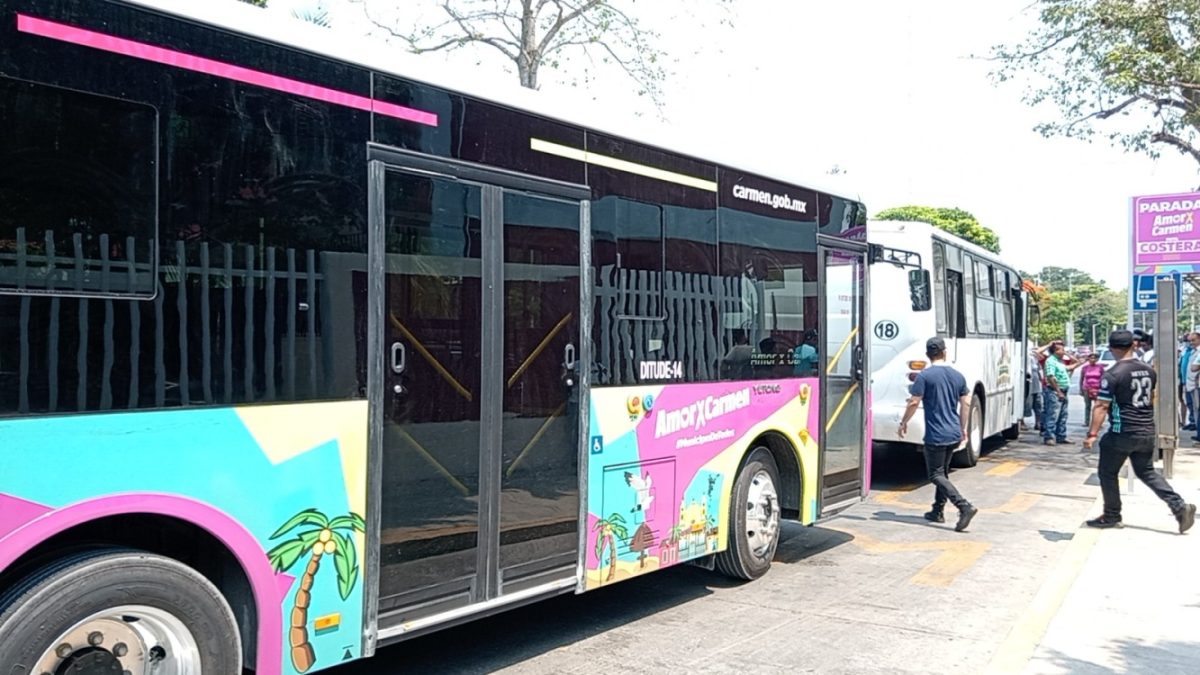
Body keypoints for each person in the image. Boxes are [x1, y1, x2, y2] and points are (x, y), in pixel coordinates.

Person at [1083, 330, 1196, 532]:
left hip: (1122, 431)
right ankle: (1178, 506)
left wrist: (1092, 434)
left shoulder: (1113, 374)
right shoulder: (1148, 370)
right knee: (1147, 472)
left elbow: (1101, 406)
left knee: (1107, 473)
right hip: (1146, 430)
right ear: (1134, 345)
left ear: (1111, 348)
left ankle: (1111, 515)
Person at [898, 337, 978, 532]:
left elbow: (914, 402)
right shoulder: (957, 376)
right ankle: (937, 511)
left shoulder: (924, 377)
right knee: (942, 472)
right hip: (953, 433)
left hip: (936, 434)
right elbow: (966, 403)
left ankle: (963, 506)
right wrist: (963, 428)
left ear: (928, 355)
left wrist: (904, 422)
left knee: (935, 474)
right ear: (945, 352)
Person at [1041, 342, 1083, 445]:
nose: (1063, 351)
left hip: (1063, 390)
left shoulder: (1059, 361)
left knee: (1063, 415)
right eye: (1061, 350)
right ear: (1055, 351)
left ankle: (1061, 436)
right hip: (1055, 391)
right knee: (1053, 415)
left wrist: (1079, 363)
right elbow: (1050, 377)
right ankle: (1049, 437)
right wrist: (1058, 391)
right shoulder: (1051, 361)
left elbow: (1068, 368)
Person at [1079, 353, 1107, 426]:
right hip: (1087, 388)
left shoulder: (1100, 367)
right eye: (1091, 358)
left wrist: (1103, 388)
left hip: (1097, 389)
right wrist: (1081, 389)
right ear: (1088, 359)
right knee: (1087, 406)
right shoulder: (1085, 368)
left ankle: (1098, 422)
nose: (1092, 360)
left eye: (1094, 358)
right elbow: (1081, 379)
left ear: (1097, 359)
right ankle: (1087, 422)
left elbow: (1104, 378)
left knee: (1097, 406)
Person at [1181, 333, 1197, 431]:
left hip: (1194, 382)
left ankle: (1195, 423)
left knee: (1196, 405)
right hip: (1185, 381)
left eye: (1192, 340)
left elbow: (1194, 368)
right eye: (1188, 341)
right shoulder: (1186, 351)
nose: (1189, 343)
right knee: (1189, 403)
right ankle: (1192, 421)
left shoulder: (1196, 352)